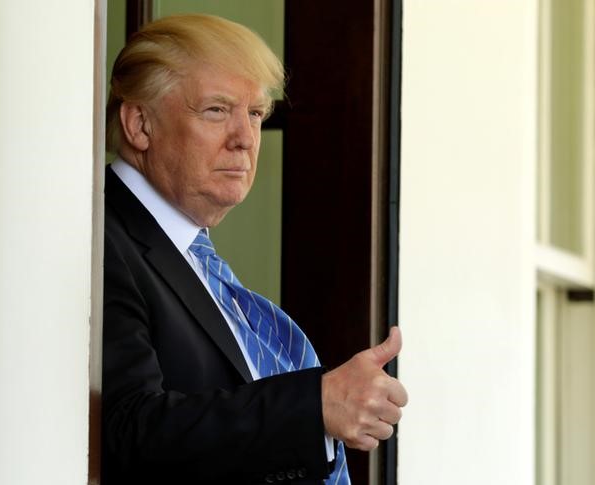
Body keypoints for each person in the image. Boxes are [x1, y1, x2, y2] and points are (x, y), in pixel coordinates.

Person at [102, 13, 408, 484]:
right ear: (140, 124)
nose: (245, 139)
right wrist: (315, 406)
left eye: (255, 113)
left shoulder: (190, 257)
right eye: (216, 110)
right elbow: (126, 434)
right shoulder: (98, 238)